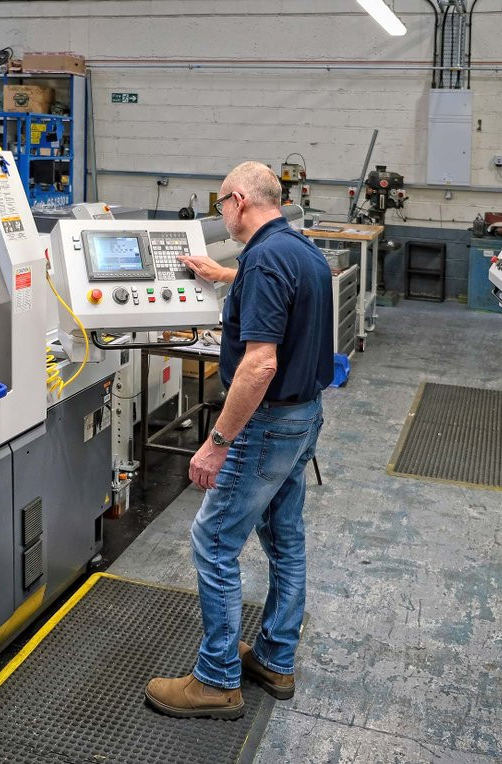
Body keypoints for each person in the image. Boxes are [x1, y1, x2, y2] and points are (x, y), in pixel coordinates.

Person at [144, 161, 333, 719]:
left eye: (220, 203)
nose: (220, 212)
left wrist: (217, 441)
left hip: (266, 424)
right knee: (285, 539)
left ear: (239, 201)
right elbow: (277, 289)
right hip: (304, 417)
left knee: (213, 541)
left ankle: (216, 680)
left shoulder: (265, 259)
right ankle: (274, 658)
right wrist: (225, 275)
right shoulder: (296, 250)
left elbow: (259, 365)